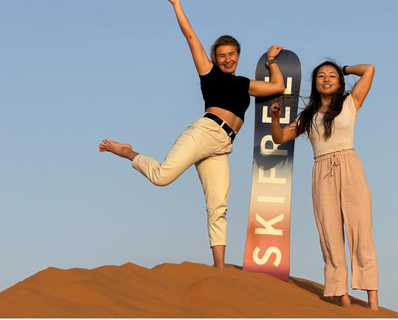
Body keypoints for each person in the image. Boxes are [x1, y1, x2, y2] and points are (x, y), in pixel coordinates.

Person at [99, 0, 285, 269]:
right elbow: (190, 36)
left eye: (232, 54)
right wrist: (176, 4)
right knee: (162, 176)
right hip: (205, 132)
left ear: (238, 56)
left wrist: (270, 60)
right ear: (215, 58)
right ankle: (127, 151)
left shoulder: (245, 84)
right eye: (222, 55)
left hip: (222, 145)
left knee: (218, 206)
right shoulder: (208, 71)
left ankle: (219, 268)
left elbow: (277, 85)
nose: (227, 59)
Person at [269, 61, 378, 310]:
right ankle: (342, 297)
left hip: (350, 166)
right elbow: (279, 137)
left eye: (331, 76)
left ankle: (373, 303)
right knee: (329, 234)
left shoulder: (351, 103)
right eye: (321, 76)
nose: (326, 79)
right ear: (315, 82)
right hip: (322, 172)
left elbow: (370, 69)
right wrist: (275, 119)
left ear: (339, 82)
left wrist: (345, 69)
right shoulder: (307, 116)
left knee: (361, 231)